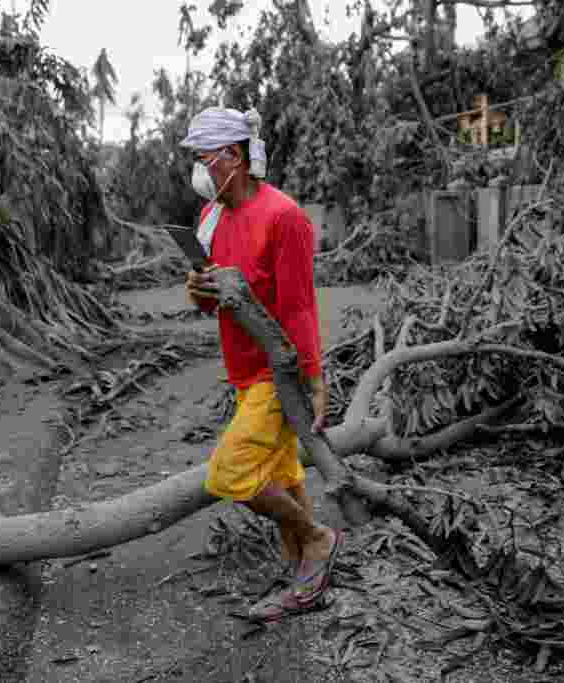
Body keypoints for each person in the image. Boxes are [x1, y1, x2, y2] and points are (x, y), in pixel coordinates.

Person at [180, 106, 343, 622]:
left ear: (234, 157)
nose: (200, 171)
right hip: (244, 373)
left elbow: (299, 305)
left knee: (231, 473)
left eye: (205, 159)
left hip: (279, 374)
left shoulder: (283, 217)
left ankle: (317, 540)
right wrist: (197, 292)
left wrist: (315, 379)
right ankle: (305, 579)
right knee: (285, 475)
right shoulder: (214, 220)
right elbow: (217, 300)